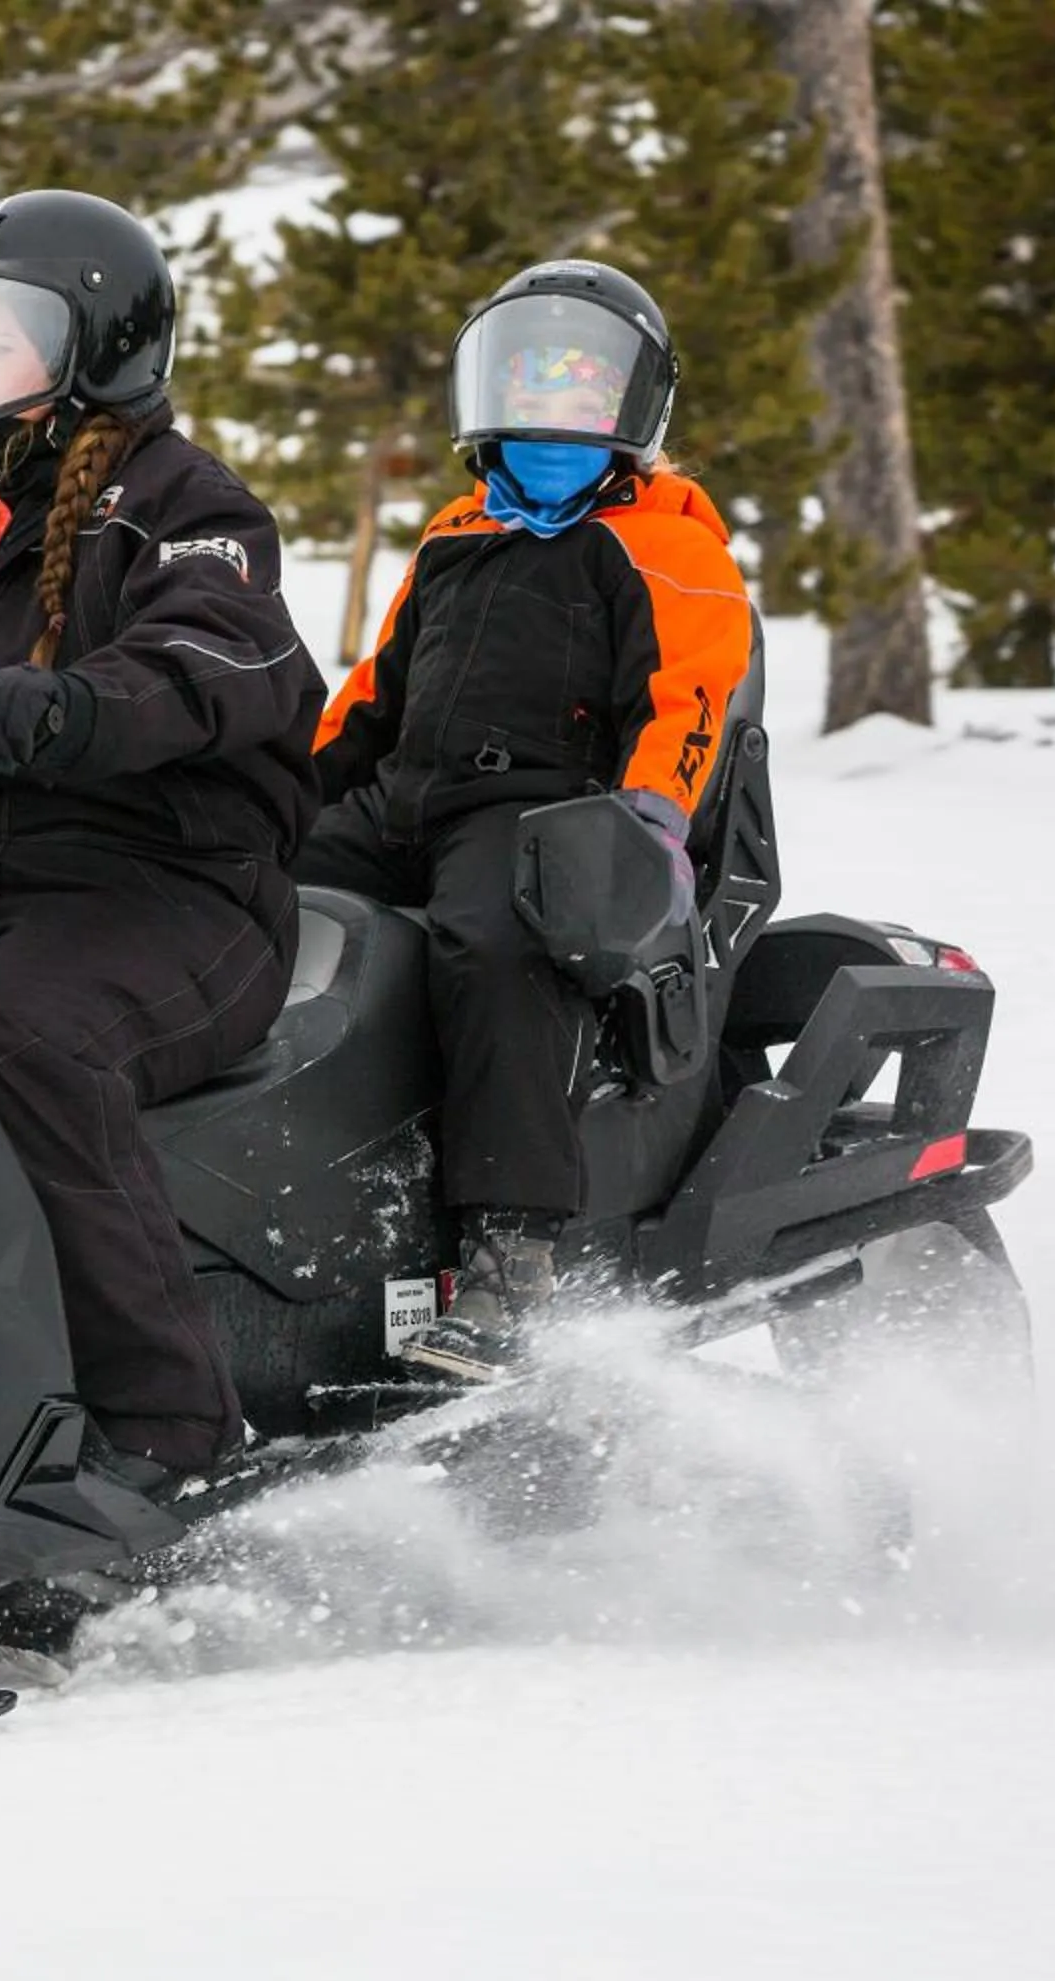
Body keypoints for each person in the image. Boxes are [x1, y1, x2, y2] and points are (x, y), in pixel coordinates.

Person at [0, 189, 323, 1491]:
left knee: (25, 1042)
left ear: (96, 345)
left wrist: (64, 708)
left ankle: (173, 1436)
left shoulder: (180, 502)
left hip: (178, 896)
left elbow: (221, 660)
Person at [296, 258, 755, 1381]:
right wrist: (278, 794)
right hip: (403, 798)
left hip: (544, 813)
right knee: (234, 892)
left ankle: (512, 1254)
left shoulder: (664, 542)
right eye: (530, 384)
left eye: (581, 390)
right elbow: (376, 691)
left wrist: (644, 822)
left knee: (498, 945)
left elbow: (692, 698)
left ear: (632, 407)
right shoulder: (458, 532)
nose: (552, 411)